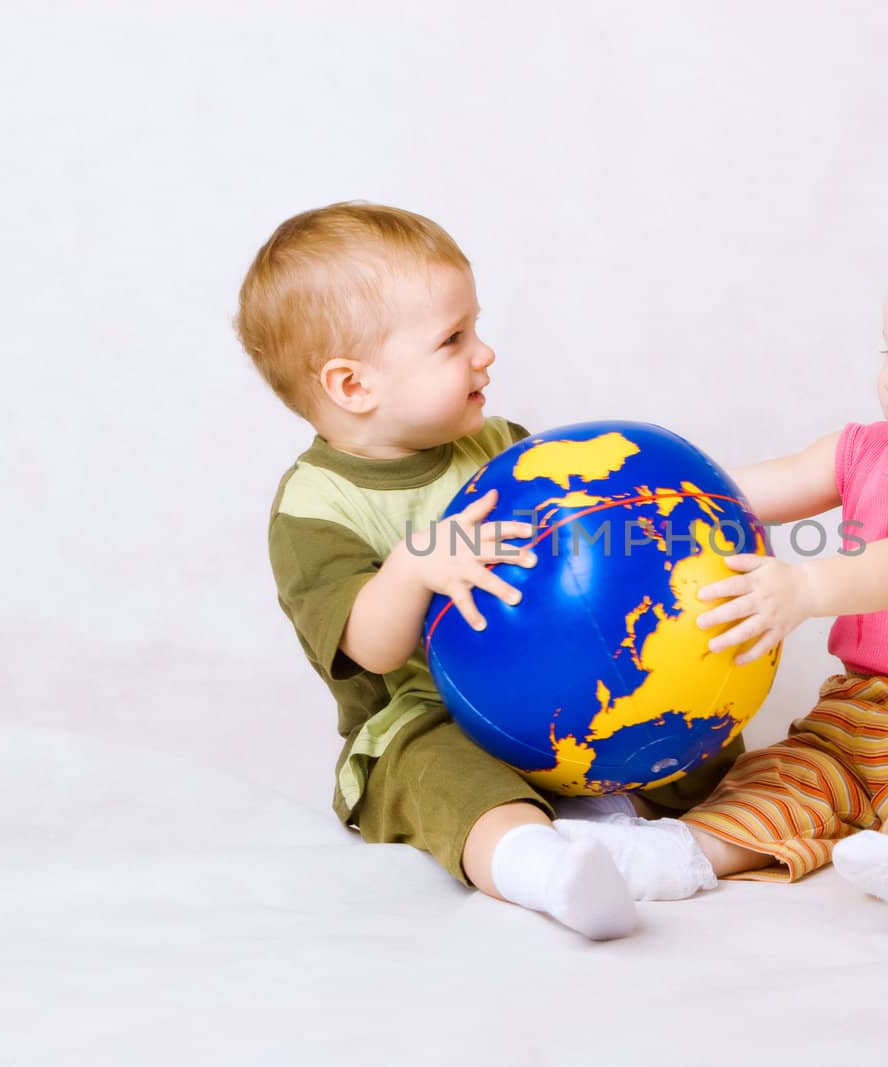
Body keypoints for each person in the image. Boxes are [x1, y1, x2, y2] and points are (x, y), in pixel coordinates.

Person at [556, 207, 888, 935]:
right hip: (859, 711)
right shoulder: (864, 451)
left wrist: (807, 587)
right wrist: (618, 510)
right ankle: (676, 854)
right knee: (782, 778)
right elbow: (731, 496)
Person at [236, 201, 739, 940]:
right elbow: (369, 648)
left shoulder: (500, 445)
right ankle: (538, 867)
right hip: (425, 711)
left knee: (710, 749)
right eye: (452, 339)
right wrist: (411, 570)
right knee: (442, 775)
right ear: (353, 386)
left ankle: (649, 824)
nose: (485, 353)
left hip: (552, 690)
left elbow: (584, 559)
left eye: (475, 328)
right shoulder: (315, 506)